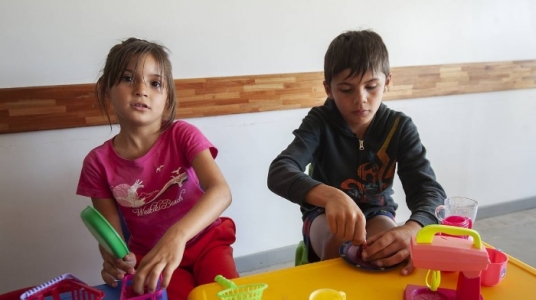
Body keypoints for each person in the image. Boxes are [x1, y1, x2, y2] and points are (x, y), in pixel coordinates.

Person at [267, 30, 446, 275]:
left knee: (389, 253)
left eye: (371, 86)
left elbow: (429, 190)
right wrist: (331, 197)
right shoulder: (319, 122)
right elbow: (280, 171)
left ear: (388, 82)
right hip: (323, 213)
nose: (360, 99)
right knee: (339, 244)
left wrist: (414, 228)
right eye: (346, 90)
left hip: (377, 211)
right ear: (328, 89)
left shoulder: (399, 127)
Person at [77, 38, 238, 299]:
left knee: (225, 295)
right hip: (151, 258)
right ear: (107, 88)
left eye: (155, 83)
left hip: (206, 242)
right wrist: (115, 262)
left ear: (167, 98)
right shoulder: (97, 163)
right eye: (128, 79)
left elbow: (221, 192)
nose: (141, 90)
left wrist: (176, 236)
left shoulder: (182, 134)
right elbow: (112, 239)